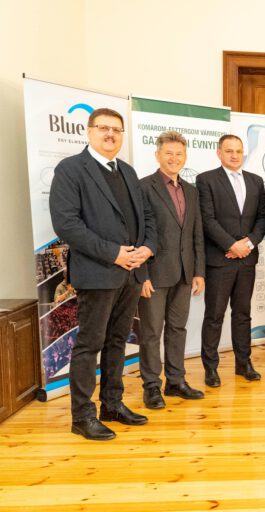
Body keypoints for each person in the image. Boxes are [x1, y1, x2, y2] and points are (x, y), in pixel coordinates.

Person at [50, 107, 156, 440]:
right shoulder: (71, 169)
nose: (110, 134)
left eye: (116, 129)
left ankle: (112, 404)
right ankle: (82, 416)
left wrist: (147, 248)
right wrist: (114, 253)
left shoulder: (127, 171)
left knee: (117, 342)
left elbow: (147, 217)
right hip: (98, 273)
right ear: (89, 131)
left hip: (131, 273)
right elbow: (67, 224)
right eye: (103, 128)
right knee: (89, 344)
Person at [137, 131, 205, 409]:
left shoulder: (191, 191)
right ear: (157, 155)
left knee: (178, 328)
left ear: (185, 156)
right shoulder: (143, 187)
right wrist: (141, 275)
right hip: (154, 274)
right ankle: (152, 386)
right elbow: (137, 234)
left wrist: (199, 271)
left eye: (179, 154)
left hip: (185, 273)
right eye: (169, 153)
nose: (174, 158)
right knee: (151, 332)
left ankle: (176, 381)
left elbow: (196, 234)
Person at [196, 135, 265, 387]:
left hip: (246, 259)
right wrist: (231, 245)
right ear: (219, 153)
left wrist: (248, 244)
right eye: (229, 151)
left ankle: (243, 363)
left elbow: (262, 218)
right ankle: (211, 368)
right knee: (214, 315)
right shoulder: (206, 180)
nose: (235, 155)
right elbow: (207, 219)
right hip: (220, 260)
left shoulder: (256, 181)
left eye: (238, 151)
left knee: (243, 314)